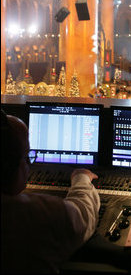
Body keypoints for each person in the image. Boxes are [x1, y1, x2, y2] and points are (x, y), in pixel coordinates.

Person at [1, 109, 101, 274]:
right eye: (27, 157)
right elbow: (82, 216)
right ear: (7, 166)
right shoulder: (32, 214)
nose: (29, 165)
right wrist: (81, 177)